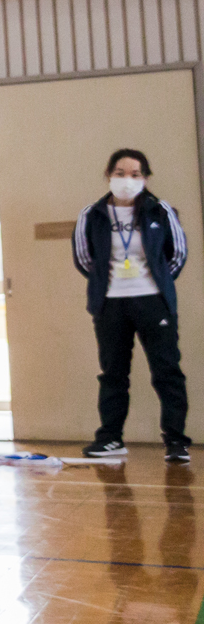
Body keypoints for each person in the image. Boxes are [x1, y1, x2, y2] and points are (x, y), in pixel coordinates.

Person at [75, 148, 189, 463]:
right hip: (110, 304)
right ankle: (110, 438)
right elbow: (84, 259)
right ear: (109, 176)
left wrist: (158, 284)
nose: (128, 180)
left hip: (153, 302)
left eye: (135, 174)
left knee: (167, 371)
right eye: (121, 173)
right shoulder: (92, 213)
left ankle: (176, 441)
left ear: (146, 178)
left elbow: (177, 254)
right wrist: (105, 284)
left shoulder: (160, 210)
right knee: (113, 373)